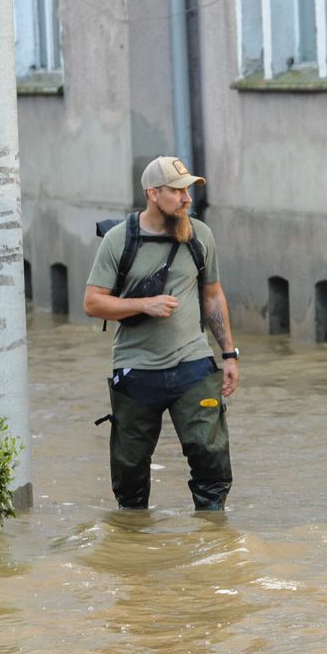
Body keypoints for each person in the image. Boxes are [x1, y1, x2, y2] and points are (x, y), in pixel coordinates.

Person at [83, 156, 240, 511]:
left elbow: (213, 294)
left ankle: (212, 543)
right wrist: (144, 305)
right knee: (130, 477)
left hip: (193, 362)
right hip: (136, 368)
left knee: (211, 462)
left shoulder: (200, 235)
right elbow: (92, 303)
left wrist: (229, 354)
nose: (187, 199)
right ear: (153, 193)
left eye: (189, 190)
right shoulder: (118, 240)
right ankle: (137, 549)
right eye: (178, 191)